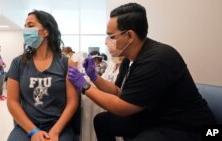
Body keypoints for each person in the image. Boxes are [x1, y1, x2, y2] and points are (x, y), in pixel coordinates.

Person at [67, 3, 216, 141]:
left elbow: (122, 108)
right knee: (103, 121)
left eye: (112, 36)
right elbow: (118, 92)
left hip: (185, 125)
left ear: (129, 36)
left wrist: (85, 86)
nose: (107, 42)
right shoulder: (129, 58)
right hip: (155, 116)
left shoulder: (156, 60)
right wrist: (94, 77)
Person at [7, 10, 78, 141]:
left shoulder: (66, 63)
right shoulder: (18, 63)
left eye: (30, 25)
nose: (26, 30)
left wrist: (55, 131)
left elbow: (72, 101)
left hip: (58, 126)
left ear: (46, 31)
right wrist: (33, 131)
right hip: (26, 127)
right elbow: (12, 102)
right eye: (25, 26)